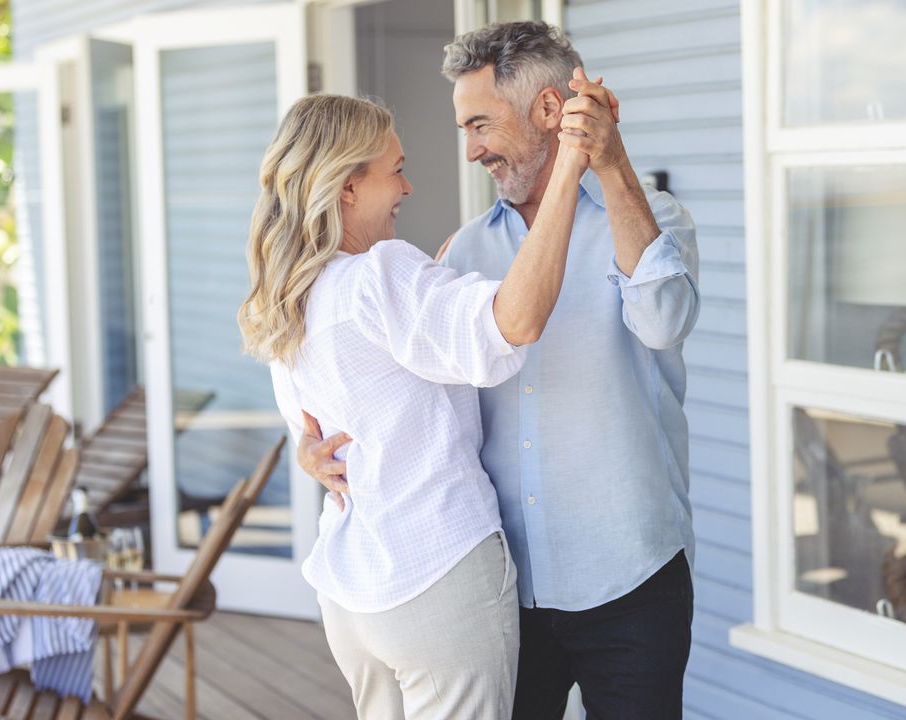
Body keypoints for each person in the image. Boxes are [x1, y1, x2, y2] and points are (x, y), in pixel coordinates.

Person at [297, 22, 701, 720]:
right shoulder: (459, 252)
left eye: (480, 123)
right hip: (503, 586)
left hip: (630, 579)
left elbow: (665, 321)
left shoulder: (647, 215)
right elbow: (401, 392)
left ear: (550, 111)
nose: (471, 148)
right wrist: (319, 447)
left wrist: (608, 163)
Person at [239, 92, 592, 719]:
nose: (408, 184)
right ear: (348, 187)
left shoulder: (287, 296)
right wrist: (568, 165)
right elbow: (513, 322)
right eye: (394, 169)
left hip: (354, 593)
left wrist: (306, 453)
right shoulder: (377, 275)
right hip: (435, 577)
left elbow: (324, 424)